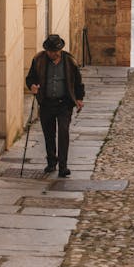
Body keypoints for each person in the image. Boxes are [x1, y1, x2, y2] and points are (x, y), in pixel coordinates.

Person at [26, 34, 84, 177]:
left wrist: (79, 98)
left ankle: (63, 166)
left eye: (57, 51)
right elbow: (30, 78)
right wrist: (32, 86)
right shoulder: (38, 60)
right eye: (52, 51)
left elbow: (77, 80)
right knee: (49, 134)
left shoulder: (69, 61)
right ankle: (52, 162)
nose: (55, 54)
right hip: (46, 103)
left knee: (63, 132)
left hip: (64, 103)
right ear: (47, 51)